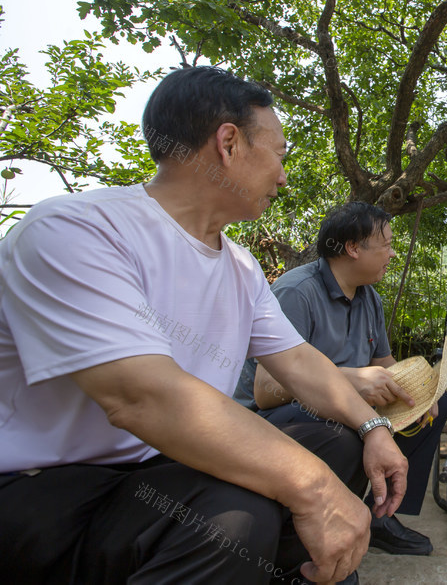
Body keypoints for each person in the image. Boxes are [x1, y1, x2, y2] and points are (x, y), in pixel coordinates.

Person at [0, 66, 408, 585]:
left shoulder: (241, 267)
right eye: (279, 154)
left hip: (157, 473)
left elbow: (301, 362)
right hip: (46, 492)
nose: (283, 176)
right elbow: (141, 398)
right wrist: (317, 488)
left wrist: (374, 429)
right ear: (229, 143)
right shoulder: (76, 230)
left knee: (336, 447)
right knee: (236, 520)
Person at [235, 201, 447, 556]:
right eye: (387, 245)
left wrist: (417, 395)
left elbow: (384, 362)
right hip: (270, 417)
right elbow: (266, 391)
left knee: (427, 413)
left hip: (345, 408)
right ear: (352, 248)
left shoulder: (370, 298)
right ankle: (318, 531)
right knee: (350, 434)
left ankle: (380, 514)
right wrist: (349, 380)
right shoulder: (297, 292)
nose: (392, 254)